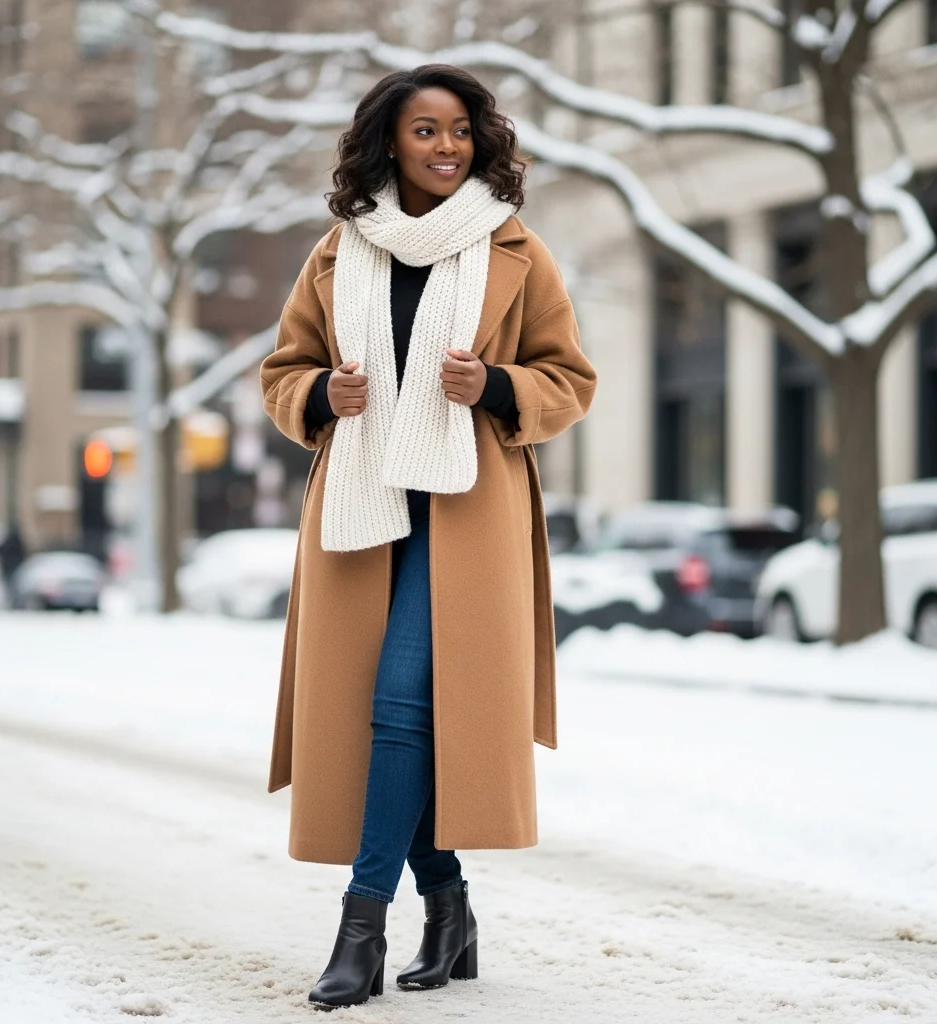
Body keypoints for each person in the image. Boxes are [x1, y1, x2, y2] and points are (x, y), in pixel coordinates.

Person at [260, 64, 597, 1010]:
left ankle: (358, 928)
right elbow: (284, 370)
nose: (446, 147)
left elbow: (569, 377)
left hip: (465, 514)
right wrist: (321, 396)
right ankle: (448, 908)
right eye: (424, 131)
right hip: (362, 515)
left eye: (459, 130)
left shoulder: (515, 248)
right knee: (390, 715)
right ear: (388, 143)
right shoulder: (340, 250)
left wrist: (495, 387)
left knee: (401, 701)